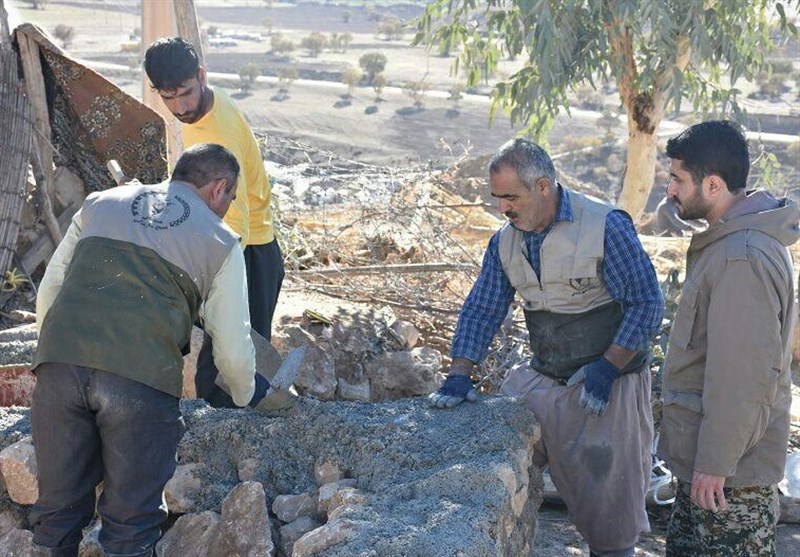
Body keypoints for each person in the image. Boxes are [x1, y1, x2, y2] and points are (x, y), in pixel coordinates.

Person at [30, 144, 276, 557]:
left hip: (58, 368)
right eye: (230, 200)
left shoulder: (99, 203)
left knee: (56, 516)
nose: (226, 209)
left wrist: (55, 355)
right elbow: (232, 349)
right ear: (219, 188)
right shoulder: (221, 241)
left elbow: (50, 290)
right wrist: (248, 393)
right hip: (139, 380)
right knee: (131, 525)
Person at [429, 138, 664, 557]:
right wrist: (460, 373)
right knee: (493, 450)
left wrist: (609, 367)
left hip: (610, 381)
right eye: (497, 198)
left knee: (611, 514)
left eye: (510, 197)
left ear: (542, 186)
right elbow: (483, 308)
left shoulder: (604, 226)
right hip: (546, 374)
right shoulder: (505, 242)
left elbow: (647, 304)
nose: (503, 208)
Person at [657, 120, 799, 556]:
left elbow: (743, 377)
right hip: (714, 472)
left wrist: (714, 463)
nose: (670, 190)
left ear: (713, 185)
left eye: (678, 179)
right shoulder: (731, 244)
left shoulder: (741, 258)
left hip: (728, 481)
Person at [143, 37, 285, 408]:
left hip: (245, 250)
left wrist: (212, 278)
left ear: (202, 77)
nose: (180, 107)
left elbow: (233, 215)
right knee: (228, 358)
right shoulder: (203, 110)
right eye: (168, 97)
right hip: (235, 245)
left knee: (229, 363)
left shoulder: (217, 131)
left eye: (186, 94)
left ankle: (238, 432)